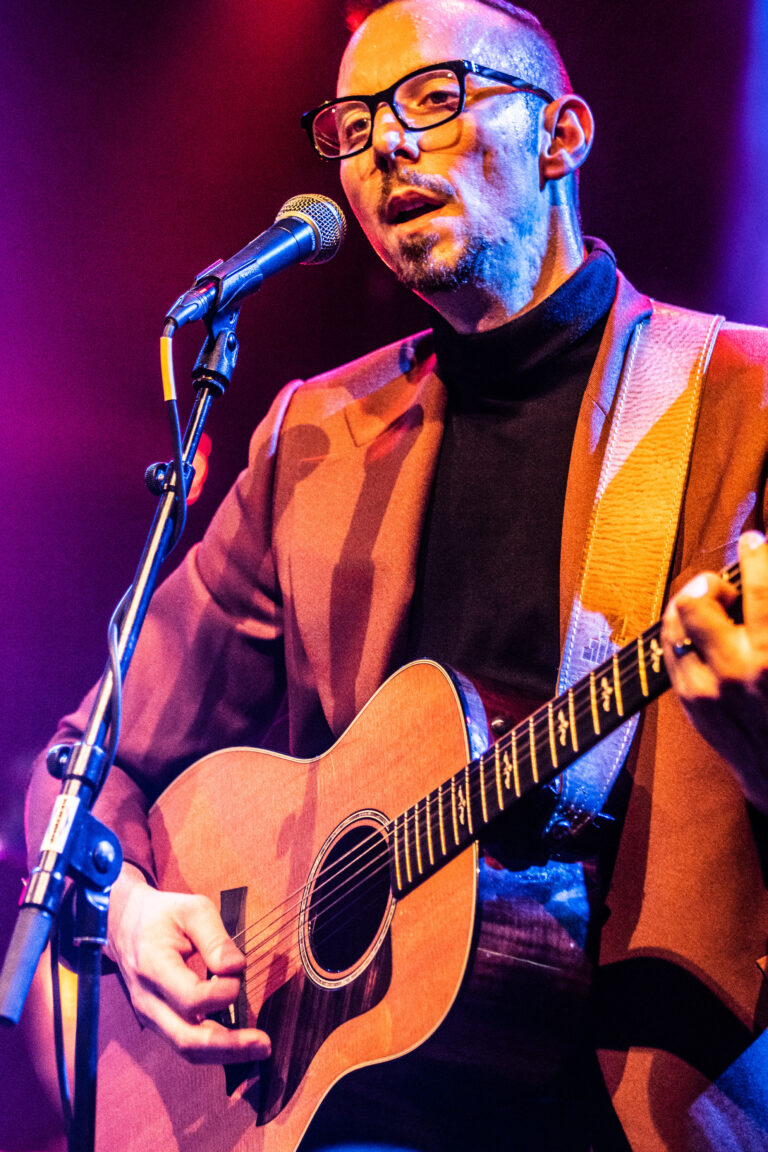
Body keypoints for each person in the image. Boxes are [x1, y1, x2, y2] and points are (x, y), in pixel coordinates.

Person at [25, 0, 768, 1149]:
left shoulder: (741, 401)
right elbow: (97, 754)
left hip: (660, 1105)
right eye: (355, 122)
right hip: (339, 1106)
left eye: (435, 98)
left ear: (562, 135)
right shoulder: (313, 434)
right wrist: (126, 911)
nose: (385, 146)